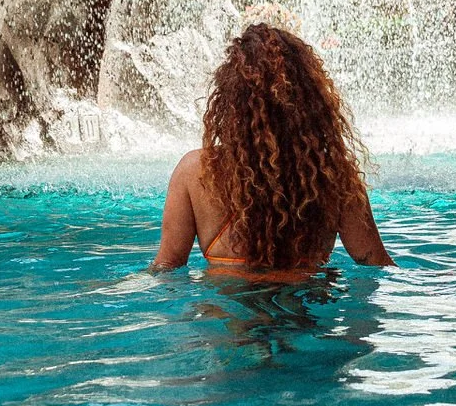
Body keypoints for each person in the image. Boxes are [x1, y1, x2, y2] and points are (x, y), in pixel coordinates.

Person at [150, 20, 394, 272]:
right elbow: (377, 266)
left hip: (227, 309)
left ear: (230, 103)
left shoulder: (195, 172)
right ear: (309, 103)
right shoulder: (333, 178)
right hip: (306, 308)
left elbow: (166, 269)